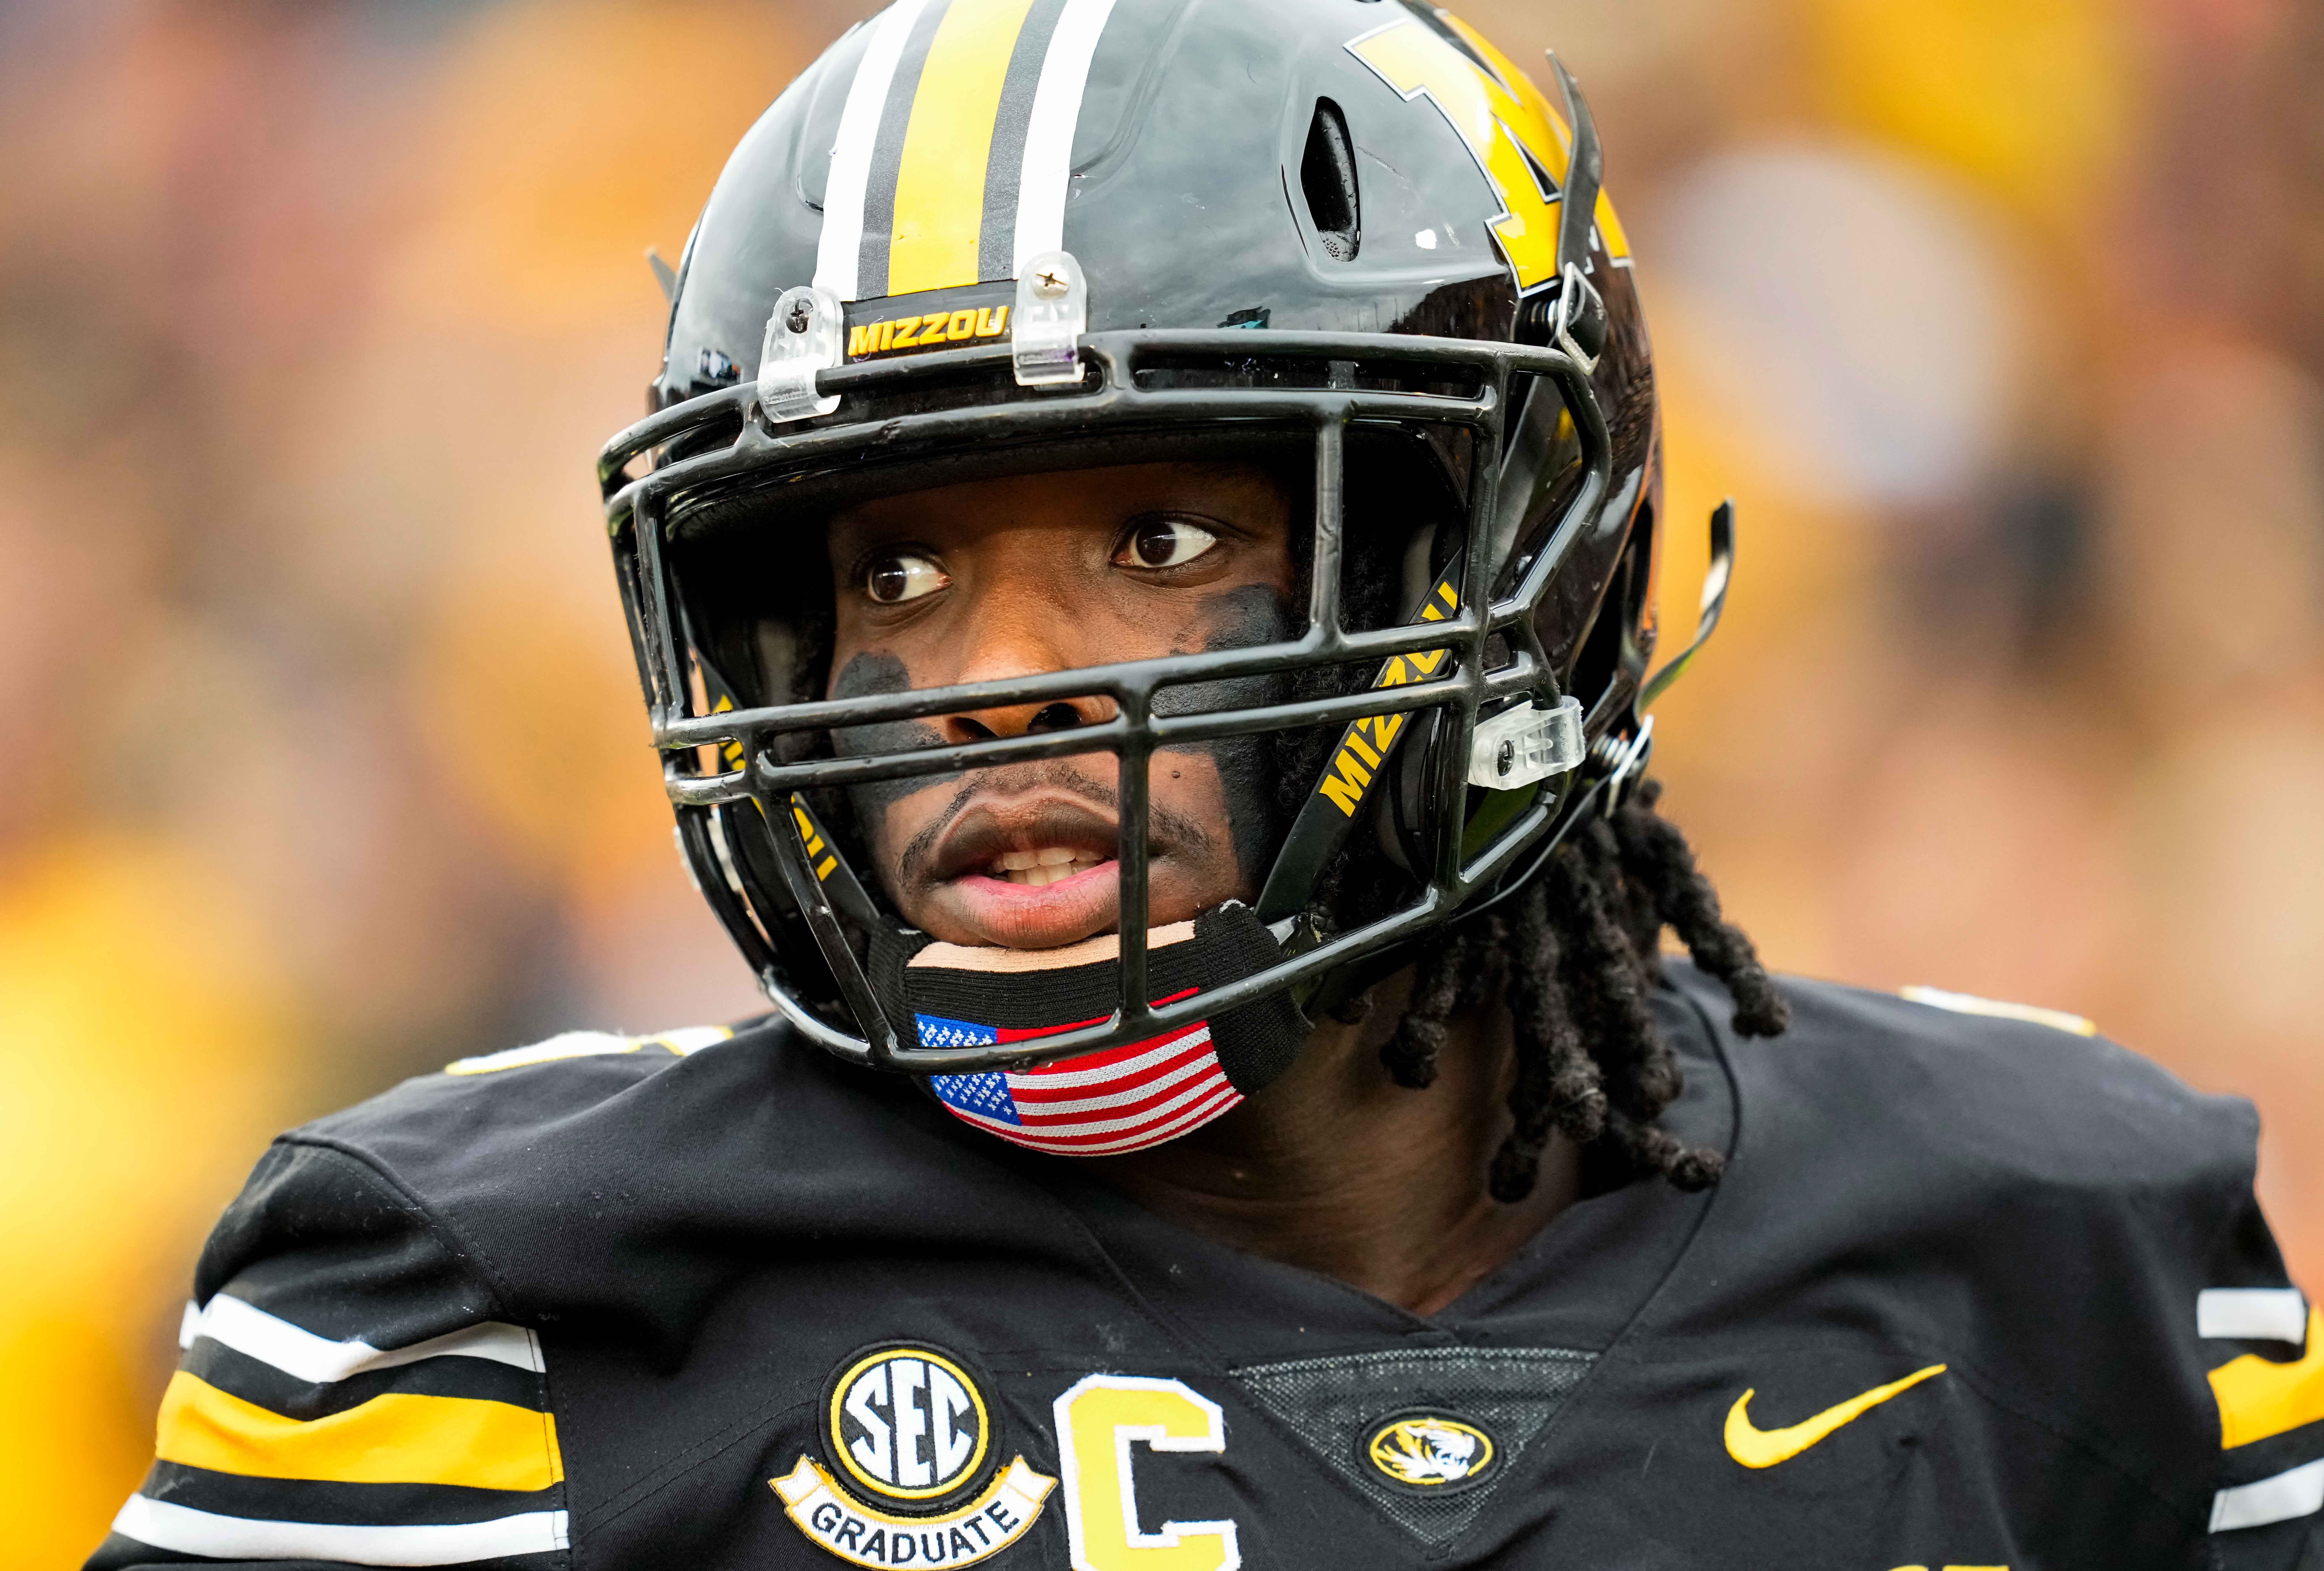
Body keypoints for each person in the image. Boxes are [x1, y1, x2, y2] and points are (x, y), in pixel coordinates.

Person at [91, 1, 2318, 1567]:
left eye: (1159, 547)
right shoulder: (497, 1322)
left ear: (1503, 573)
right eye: (897, 570)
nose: (991, 681)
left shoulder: (2057, 1250)